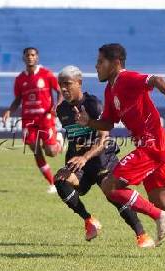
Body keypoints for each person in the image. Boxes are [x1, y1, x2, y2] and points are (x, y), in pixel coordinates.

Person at [75, 43, 165, 256]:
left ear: (115, 63)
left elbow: (157, 80)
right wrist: (89, 122)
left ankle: (159, 217)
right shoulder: (111, 89)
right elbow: (108, 123)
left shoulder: (127, 78)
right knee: (162, 203)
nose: (96, 66)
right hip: (156, 145)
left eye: (100, 62)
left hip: (151, 144)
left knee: (110, 185)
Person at [55, 65, 154, 247]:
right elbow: (73, 138)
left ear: (79, 83)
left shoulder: (93, 104)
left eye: (67, 84)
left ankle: (142, 235)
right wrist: (70, 162)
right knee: (61, 180)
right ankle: (89, 220)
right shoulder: (61, 110)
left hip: (102, 158)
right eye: (60, 84)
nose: (63, 89)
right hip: (81, 163)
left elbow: (103, 140)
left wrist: (85, 157)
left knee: (113, 195)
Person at [3, 47, 63, 193]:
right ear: (23, 58)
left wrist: (57, 106)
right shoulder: (19, 79)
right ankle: (52, 183)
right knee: (34, 149)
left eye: (33, 55)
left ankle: (59, 141)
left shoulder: (46, 74)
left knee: (51, 152)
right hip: (28, 119)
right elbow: (18, 99)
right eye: (27, 55)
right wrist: (9, 111)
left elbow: (60, 91)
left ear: (37, 57)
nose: (30, 57)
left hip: (45, 118)